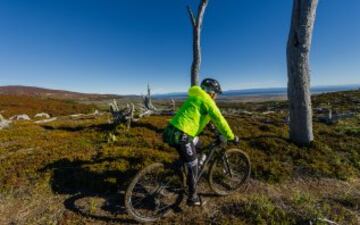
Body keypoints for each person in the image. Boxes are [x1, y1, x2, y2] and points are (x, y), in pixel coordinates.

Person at [163, 78, 239, 206]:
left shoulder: (195, 98)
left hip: (171, 131)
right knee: (193, 165)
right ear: (211, 92)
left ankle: (182, 166)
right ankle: (192, 197)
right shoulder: (208, 101)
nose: (216, 96)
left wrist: (212, 127)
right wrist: (231, 137)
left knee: (200, 147)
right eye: (216, 93)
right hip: (183, 135)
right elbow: (220, 120)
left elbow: (197, 115)